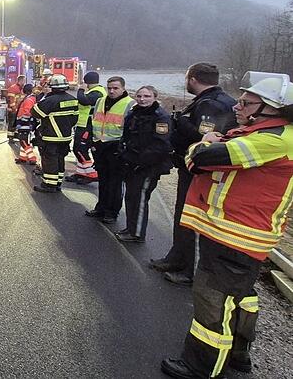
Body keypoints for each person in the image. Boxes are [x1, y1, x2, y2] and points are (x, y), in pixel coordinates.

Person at [160, 72, 293, 379]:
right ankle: (238, 353)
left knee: (211, 300)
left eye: (247, 103)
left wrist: (201, 143)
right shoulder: (267, 134)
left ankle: (201, 366)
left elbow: (201, 160)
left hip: (234, 234)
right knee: (241, 296)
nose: (238, 106)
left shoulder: (271, 140)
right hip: (241, 234)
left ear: (271, 108)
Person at [150, 63, 237, 287]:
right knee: (182, 216)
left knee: (190, 219)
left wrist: (181, 121)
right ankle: (176, 258)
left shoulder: (212, 104)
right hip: (192, 168)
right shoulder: (212, 100)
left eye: (187, 77)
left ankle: (188, 271)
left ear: (194, 79)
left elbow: (207, 138)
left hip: (200, 172)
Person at [115, 86, 173, 243]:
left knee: (140, 199)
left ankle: (137, 233)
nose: (142, 99)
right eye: (139, 96)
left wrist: (141, 163)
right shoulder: (134, 113)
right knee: (131, 196)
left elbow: (161, 146)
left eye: (146, 96)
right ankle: (131, 227)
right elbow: (126, 135)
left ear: (154, 97)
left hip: (148, 166)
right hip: (132, 162)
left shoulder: (161, 117)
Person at [85, 76, 135, 224]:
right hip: (100, 146)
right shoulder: (101, 101)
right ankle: (100, 207)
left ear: (123, 88)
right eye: (110, 88)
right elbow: (93, 120)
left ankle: (111, 212)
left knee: (115, 182)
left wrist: (125, 148)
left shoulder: (129, 104)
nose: (112, 91)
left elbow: (130, 130)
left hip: (116, 147)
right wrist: (91, 141)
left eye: (116, 88)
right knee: (103, 180)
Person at [30, 74, 79, 193]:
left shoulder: (50, 100)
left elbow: (35, 112)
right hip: (66, 136)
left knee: (50, 160)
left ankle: (48, 185)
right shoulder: (72, 100)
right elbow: (75, 119)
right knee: (60, 159)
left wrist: (43, 95)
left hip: (51, 136)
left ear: (52, 87)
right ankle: (57, 183)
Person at [66, 71, 106, 183]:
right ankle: (81, 173)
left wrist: (81, 89)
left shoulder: (97, 92)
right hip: (83, 124)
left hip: (88, 125)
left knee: (80, 149)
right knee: (78, 149)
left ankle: (91, 174)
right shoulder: (95, 91)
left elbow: (83, 101)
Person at [14, 84, 38, 164]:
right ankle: (23, 158)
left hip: (25, 123)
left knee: (23, 141)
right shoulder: (31, 98)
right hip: (27, 122)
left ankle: (32, 158)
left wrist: (21, 122)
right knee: (25, 140)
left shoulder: (28, 100)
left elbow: (27, 113)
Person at [6, 74, 27, 139]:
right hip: (13, 110)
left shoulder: (21, 89)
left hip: (18, 110)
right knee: (12, 123)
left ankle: (15, 135)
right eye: (24, 80)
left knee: (17, 124)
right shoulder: (13, 88)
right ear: (20, 81)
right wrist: (14, 109)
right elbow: (11, 100)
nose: (25, 82)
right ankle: (10, 137)